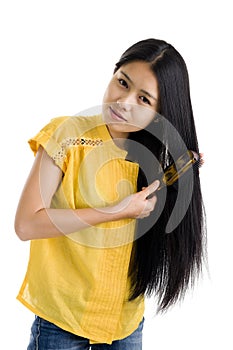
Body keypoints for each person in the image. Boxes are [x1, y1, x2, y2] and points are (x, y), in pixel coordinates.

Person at [15, 38, 206, 350]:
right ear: (113, 73)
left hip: (124, 321)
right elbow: (26, 224)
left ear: (162, 111)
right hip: (62, 319)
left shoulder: (156, 157)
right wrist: (117, 210)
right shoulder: (67, 135)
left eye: (144, 99)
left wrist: (179, 178)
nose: (124, 101)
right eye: (122, 82)